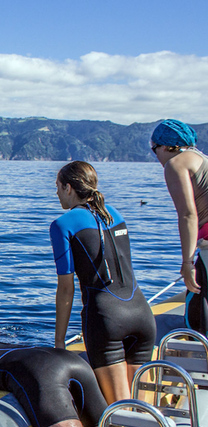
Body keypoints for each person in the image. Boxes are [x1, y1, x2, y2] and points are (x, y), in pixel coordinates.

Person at [50, 161, 155, 404]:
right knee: (145, 408)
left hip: (106, 319)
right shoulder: (114, 214)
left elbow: (66, 289)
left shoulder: (62, 224)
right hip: (141, 313)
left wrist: (59, 342)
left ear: (68, 188)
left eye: (57, 187)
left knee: (120, 410)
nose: (56, 193)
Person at [151, 119, 208, 334]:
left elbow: (187, 214)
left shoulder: (176, 164)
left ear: (165, 147)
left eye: (154, 149)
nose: (156, 156)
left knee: (199, 311)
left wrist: (187, 262)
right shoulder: (202, 159)